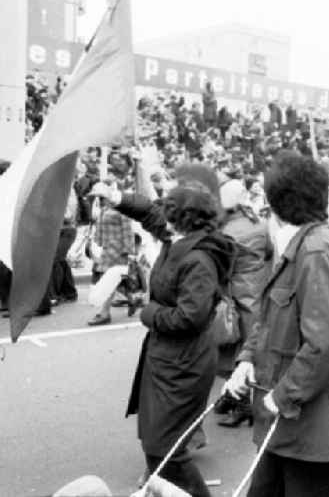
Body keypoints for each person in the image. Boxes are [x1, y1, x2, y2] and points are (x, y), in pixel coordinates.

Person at [91, 166, 235, 497]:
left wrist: (149, 311)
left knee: (166, 450)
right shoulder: (181, 237)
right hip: (167, 357)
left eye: (170, 213)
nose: (163, 219)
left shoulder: (199, 259)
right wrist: (115, 196)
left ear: (183, 220)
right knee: (155, 444)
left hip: (184, 362)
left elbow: (190, 317)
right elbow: (150, 213)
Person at [225, 152, 329, 497]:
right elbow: (268, 319)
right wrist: (246, 361)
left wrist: (282, 397)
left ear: (277, 203)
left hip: (309, 426)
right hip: (285, 421)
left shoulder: (316, 251)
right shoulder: (298, 245)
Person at [215, 178, 272, 428]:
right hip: (258, 290)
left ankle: (242, 405)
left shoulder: (224, 233)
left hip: (236, 295)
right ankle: (235, 399)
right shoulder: (260, 224)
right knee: (251, 349)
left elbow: (220, 268)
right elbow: (269, 252)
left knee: (235, 353)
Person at [87, 182, 136, 326]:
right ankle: (133, 299)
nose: (98, 199)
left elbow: (128, 232)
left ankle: (105, 313)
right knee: (113, 280)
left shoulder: (121, 209)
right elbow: (100, 230)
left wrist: (129, 252)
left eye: (100, 196)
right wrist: (96, 245)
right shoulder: (104, 208)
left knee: (109, 280)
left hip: (118, 250)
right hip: (107, 250)